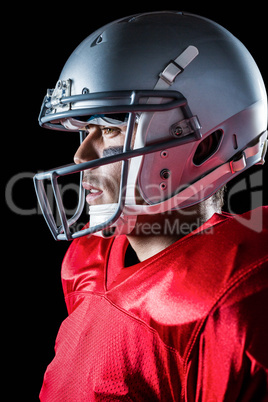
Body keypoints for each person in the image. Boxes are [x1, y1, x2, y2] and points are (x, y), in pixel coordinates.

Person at [34, 11, 268, 401]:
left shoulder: (234, 299)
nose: (80, 156)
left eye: (109, 129)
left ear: (206, 142)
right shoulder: (89, 262)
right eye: (83, 131)